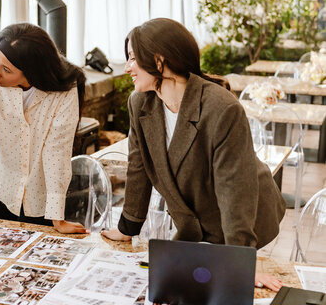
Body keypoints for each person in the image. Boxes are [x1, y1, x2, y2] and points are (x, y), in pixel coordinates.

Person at [101, 18, 286, 291]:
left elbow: (235, 190)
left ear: (159, 61)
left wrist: (241, 264)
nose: (127, 67)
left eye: (132, 58)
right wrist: (127, 227)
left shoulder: (221, 108)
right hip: (195, 225)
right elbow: (138, 167)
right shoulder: (139, 102)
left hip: (244, 220)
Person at [0, 23, 88, 262]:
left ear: (32, 73)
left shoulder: (64, 90)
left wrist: (57, 218)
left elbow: (56, 153)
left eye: (6, 69)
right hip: (0, 194)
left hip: (42, 203)